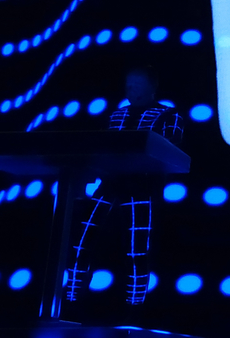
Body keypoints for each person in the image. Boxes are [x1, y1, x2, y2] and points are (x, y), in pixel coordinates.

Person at [67, 66, 183, 307]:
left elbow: (171, 151)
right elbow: (100, 149)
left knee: (137, 248)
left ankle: (136, 305)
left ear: (152, 87)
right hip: (109, 184)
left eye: (137, 84)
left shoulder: (169, 115)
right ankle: (71, 298)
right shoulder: (115, 115)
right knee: (81, 240)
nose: (131, 89)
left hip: (142, 187)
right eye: (129, 84)